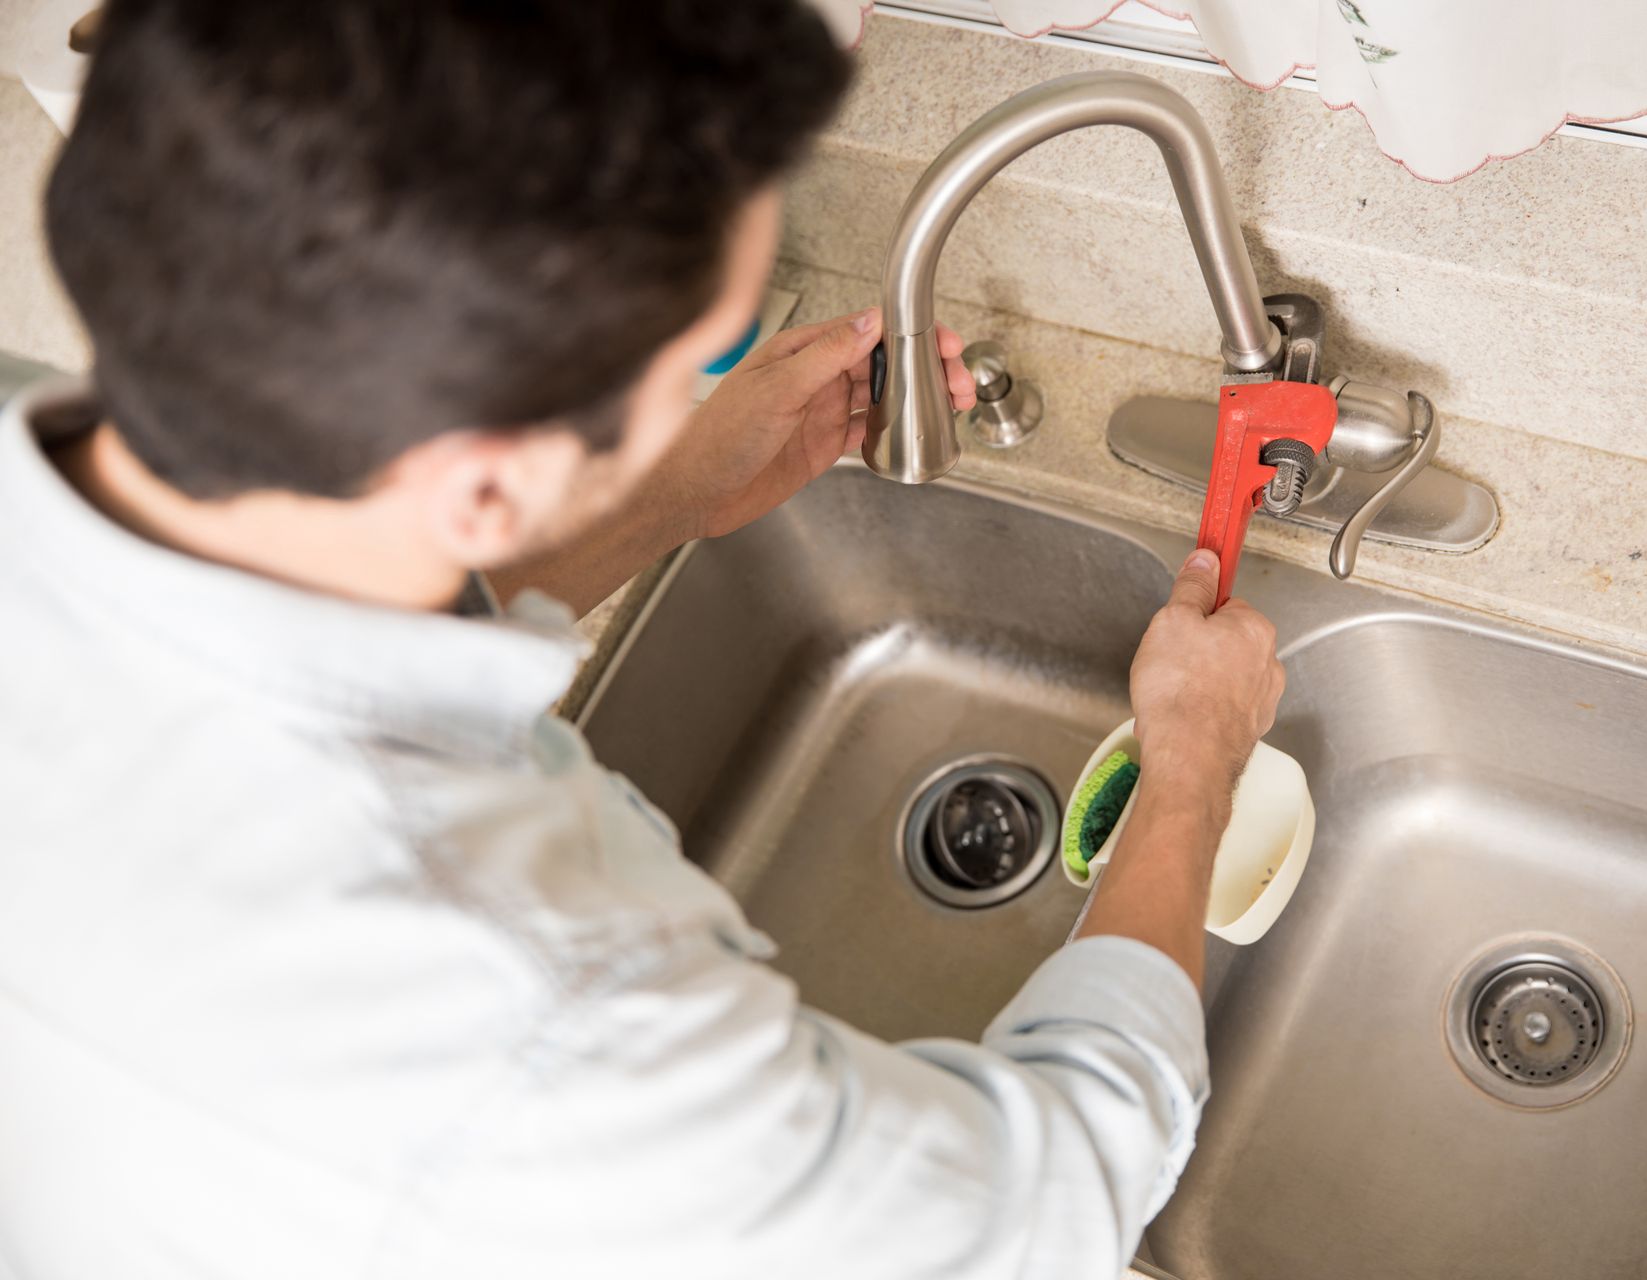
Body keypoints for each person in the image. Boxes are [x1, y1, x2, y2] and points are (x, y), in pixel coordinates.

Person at [0, 2, 1288, 1277]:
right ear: (485, 482)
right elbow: (1044, 1200)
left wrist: (664, 485)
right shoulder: (539, 1017)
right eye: (677, 373)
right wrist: (1188, 773)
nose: (683, 400)